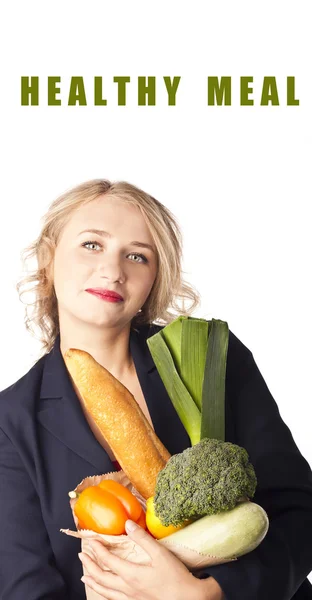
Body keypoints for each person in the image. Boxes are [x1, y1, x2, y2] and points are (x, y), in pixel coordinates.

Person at [0, 179, 311, 600]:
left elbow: (298, 509)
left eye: (137, 256)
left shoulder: (209, 356)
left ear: (153, 279)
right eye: (92, 244)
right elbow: (25, 587)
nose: (113, 270)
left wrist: (210, 595)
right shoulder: (10, 420)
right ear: (47, 258)